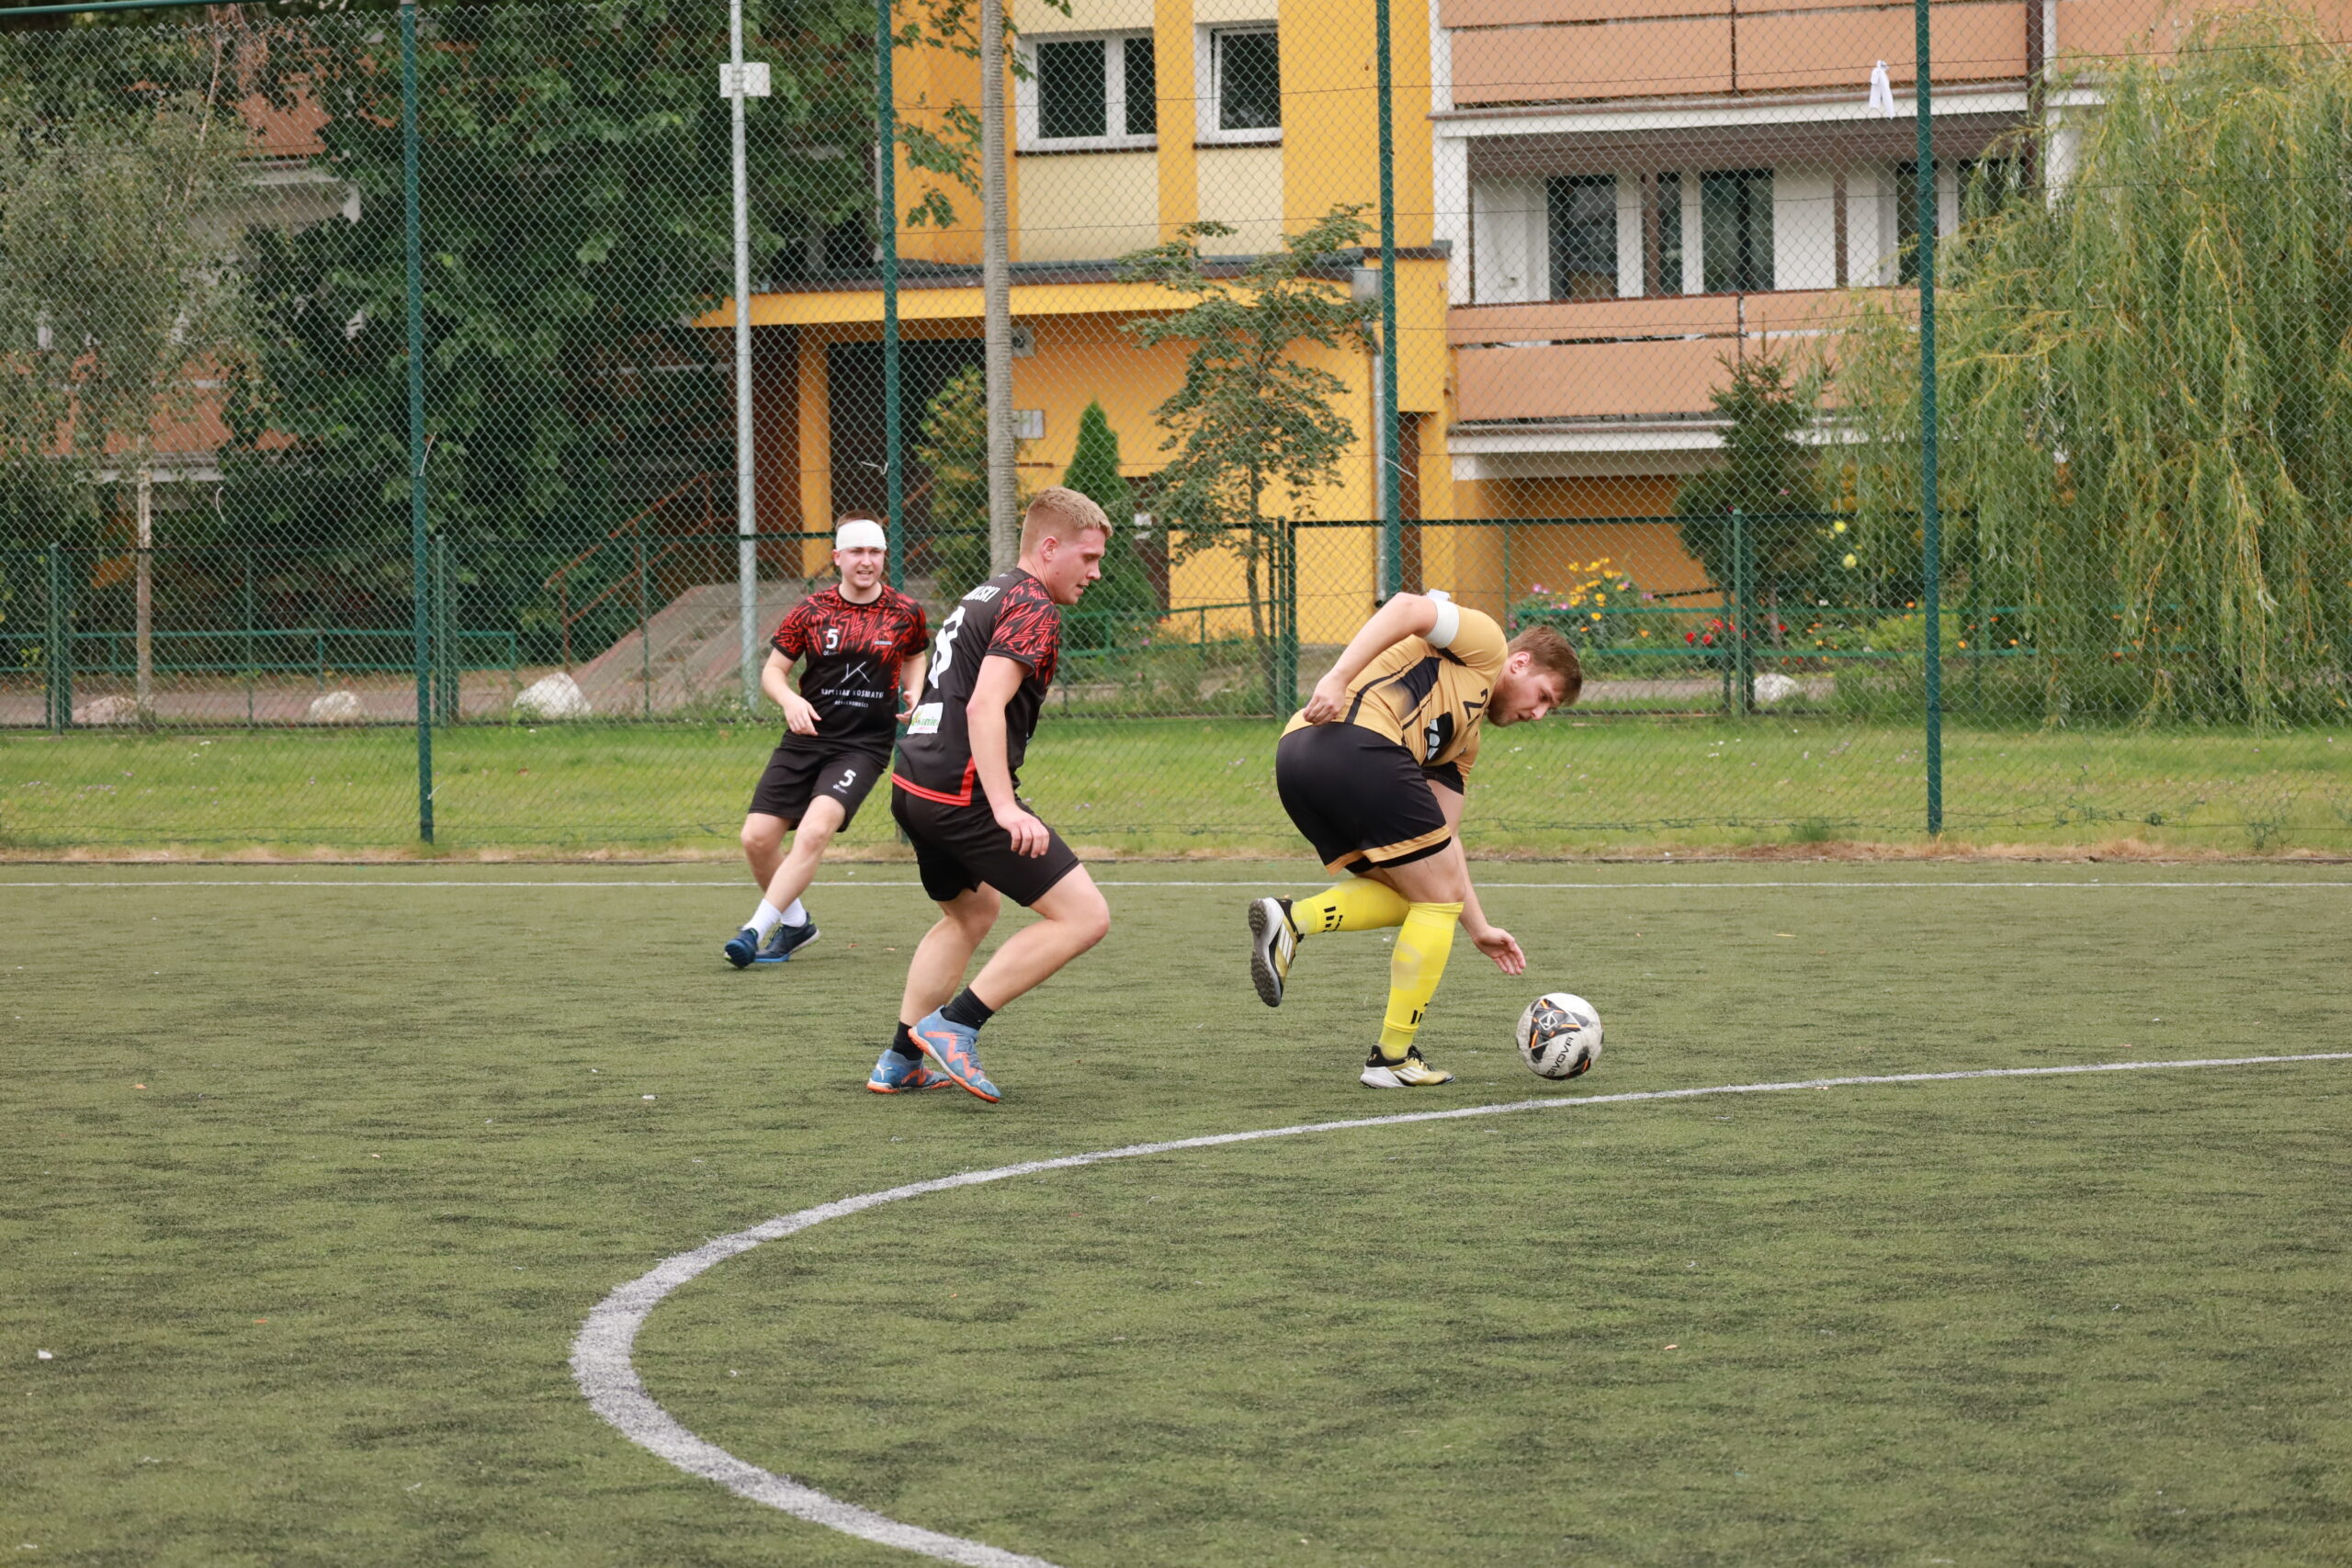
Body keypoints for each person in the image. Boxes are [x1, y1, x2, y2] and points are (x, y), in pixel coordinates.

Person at [1246, 591, 1583, 1088]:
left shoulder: (1464, 742)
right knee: (1436, 900)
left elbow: (1443, 843)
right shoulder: (1488, 645)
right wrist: (1336, 676)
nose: (1539, 714)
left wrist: (1478, 927)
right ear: (1520, 663)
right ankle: (1392, 1059)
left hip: (1298, 758)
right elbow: (1407, 607)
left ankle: (1293, 920)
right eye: (1544, 697)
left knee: (1419, 895)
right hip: (1356, 742)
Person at [867, 486, 1115, 1101]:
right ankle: (956, 1024)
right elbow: (984, 705)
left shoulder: (991, 591)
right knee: (1085, 917)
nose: (1095, 571)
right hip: (963, 793)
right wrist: (1004, 807)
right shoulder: (1033, 604)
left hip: (914, 782)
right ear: (1049, 547)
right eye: (1087, 557)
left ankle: (900, 1060)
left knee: (971, 913)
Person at [723, 514, 929, 969]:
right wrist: (789, 700)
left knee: (815, 831)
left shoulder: (906, 611)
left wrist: (914, 691)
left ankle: (753, 930)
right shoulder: (811, 611)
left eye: (874, 552)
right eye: (856, 552)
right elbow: (773, 672)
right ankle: (796, 924)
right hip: (806, 738)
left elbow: (916, 655)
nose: (866, 561)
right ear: (837, 557)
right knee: (756, 838)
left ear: (884, 557)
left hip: (862, 747)